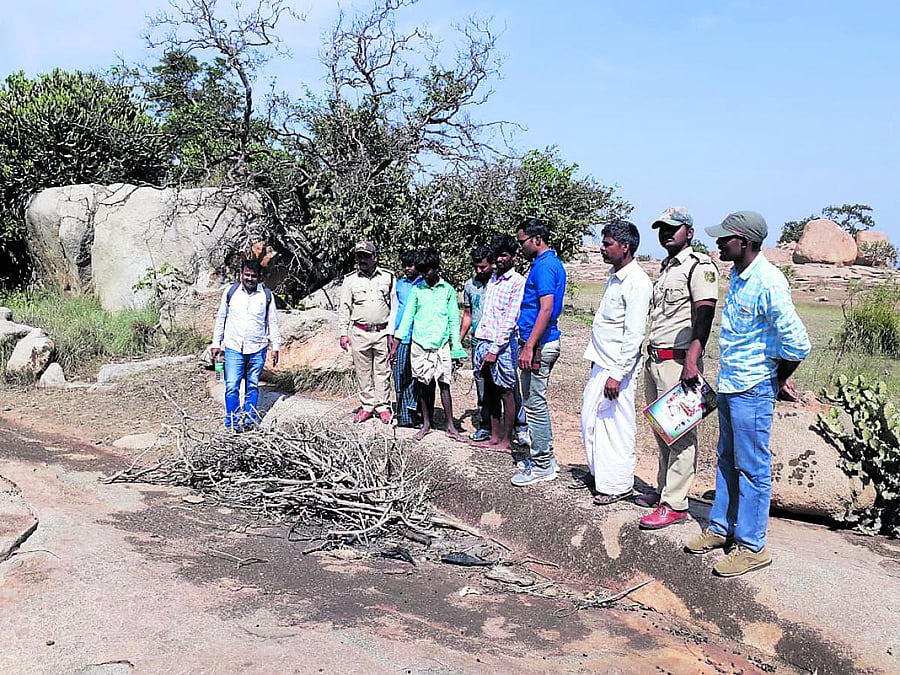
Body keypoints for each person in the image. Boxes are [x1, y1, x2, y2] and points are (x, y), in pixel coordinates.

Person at [685, 211, 810, 578]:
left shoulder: (769, 282)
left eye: (725, 238)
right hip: (731, 383)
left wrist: (776, 378)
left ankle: (752, 546)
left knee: (753, 467)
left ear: (745, 241)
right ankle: (722, 528)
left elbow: (798, 342)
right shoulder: (740, 275)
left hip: (752, 387)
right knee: (726, 458)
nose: (719, 243)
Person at [638, 208, 719, 530]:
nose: (666, 234)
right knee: (663, 430)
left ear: (689, 232)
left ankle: (675, 504)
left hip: (679, 361)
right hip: (657, 359)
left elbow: (705, 313)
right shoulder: (667, 267)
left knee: (681, 435)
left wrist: (691, 360)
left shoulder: (699, 266)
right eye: (662, 229)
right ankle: (663, 491)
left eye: (673, 229)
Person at [581, 221, 653, 504]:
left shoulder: (637, 282)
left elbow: (634, 334)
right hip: (602, 362)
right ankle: (599, 475)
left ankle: (618, 485)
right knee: (590, 420)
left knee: (617, 426)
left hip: (617, 368)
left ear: (625, 247)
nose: (602, 248)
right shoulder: (615, 277)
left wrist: (617, 374)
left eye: (608, 243)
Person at [510, 218, 567, 487]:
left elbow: (546, 308)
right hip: (538, 341)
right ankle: (542, 458)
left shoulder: (545, 267)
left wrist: (530, 345)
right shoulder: (546, 264)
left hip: (540, 344)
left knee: (534, 404)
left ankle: (543, 464)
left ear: (536, 239)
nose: (520, 246)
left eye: (522, 241)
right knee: (534, 402)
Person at [390, 248, 468, 441]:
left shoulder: (448, 290)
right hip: (419, 344)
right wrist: (395, 346)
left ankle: (451, 426)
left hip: (441, 345)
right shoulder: (417, 290)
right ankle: (426, 423)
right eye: (423, 271)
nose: (425, 275)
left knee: (444, 384)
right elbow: (407, 318)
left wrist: (456, 348)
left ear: (436, 268)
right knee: (423, 385)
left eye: (428, 271)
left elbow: (452, 320)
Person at [471, 234, 527, 452]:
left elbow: (510, 319)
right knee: (490, 392)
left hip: (501, 345)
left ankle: (506, 440)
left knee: (506, 391)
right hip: (483, 340)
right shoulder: (493, 278)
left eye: (504, 255)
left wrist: (495, 349)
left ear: (513, 256)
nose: (500, 259)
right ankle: (494, 437)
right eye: (498, 255)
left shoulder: (517, 282)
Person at [211, 259, 281, 431]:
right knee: (232, 386)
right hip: (234, 347)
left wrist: (276, 347)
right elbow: (221, 318)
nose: (250, 279)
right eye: (247, 275)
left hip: (258, 348)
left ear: (259, 277)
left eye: (253, 276)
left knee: (252, 385)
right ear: (241, 274)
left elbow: (272, 322)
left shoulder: (266, 295)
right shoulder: (231, 292)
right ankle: (233, 423)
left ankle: (249, 421)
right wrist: (216, 343)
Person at [338, 241, 396, 424]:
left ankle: (383, 407)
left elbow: (394, 306)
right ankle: (367, 406)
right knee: (362, 371)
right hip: (359, 332)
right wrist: (343, 332)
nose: (362, 260)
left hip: (382, 332)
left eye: (366, 256)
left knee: (383, 371)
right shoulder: (350, 280)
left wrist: (392, 332)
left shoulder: (388, 277)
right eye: (359, 256)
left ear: (375, 257)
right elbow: (344, 308)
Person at [460, 246, 494, 441]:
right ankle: (485, 425)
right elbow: (468, 314)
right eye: (476, 267)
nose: (480, 271)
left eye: (483, 267)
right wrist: (458, 341)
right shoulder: (469, 285)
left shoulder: (499, 283)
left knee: (506, 386)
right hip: (477, 341)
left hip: (498, 341)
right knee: (481, 384)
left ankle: (518, 425)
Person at [391, 249, 423, 428]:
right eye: (405, 265)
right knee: (400, 376)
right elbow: (394, 309)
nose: (407, 269)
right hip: (400, 337)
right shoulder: (400, 284)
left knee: (417, 377)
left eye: (410, 265)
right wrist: (391, 335)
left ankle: (414, 414)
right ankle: (403, 416)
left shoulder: (423, 284)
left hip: (419, 337)